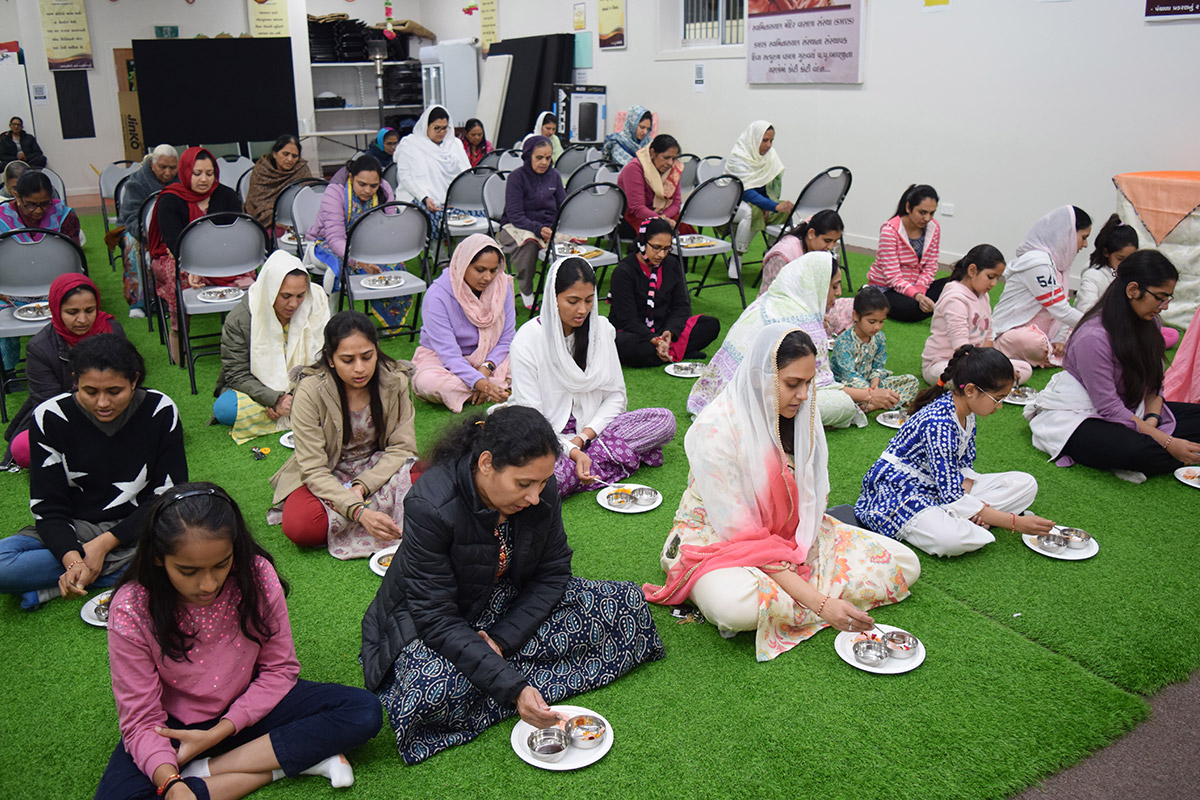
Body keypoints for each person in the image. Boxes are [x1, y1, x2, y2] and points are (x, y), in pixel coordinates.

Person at [361, 406, 665, 764]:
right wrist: (514, 688)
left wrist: (501, 640)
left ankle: (497, 674)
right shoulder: (431, 504)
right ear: (486, 463)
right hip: (432, 619)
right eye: (523, 484)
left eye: (542, 482)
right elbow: (435, 618)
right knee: (430, 690)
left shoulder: (542, 488)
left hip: (505, 598)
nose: (535, 497)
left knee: (626, 604)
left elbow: (553, 572)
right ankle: (514, 680)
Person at [644, 325, 919, 659]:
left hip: (789, 535)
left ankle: (789, 593)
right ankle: (803, 590)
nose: (803, 395)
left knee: (906, 563)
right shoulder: (715, 429)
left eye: (808, 383)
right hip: (717, 538)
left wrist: (799, 546)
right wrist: (821, 604)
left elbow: (811, 499)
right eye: (792, 384)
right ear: (760, 377)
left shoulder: (801, 414)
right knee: (735, 608)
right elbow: (743, 533)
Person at [95, 483, 382, 800]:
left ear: (235, 547)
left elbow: (279, 669)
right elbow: (141, 719)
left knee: (361, 710)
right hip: (175, 727)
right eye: (188, 571)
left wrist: (220, 732)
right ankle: (284, 763)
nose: (208, 585)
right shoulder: (132, 607)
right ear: (158, 558)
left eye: (221, 564)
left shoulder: (255, 575)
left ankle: (208, 769)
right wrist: (171, 783)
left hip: (250, 705)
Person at [0, 335, 187, 610]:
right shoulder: (50, 417)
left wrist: (103, 546)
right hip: (77, 526)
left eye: (114, 391)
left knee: (203, 543)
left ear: (134, 380)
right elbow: (48, 508)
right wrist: (73, 560)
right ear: (75, 380)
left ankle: (54, 585)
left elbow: (168, 496)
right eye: (90, 391)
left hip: (144, 524)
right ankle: (134, 571)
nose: (102, 403)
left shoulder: (160, 409)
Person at [855, 345, 1054, 557]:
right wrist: (1015, 523)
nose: (1000, 406)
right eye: (998, 398)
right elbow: (951, 494)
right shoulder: (939, 423)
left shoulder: (966, 412)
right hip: (901, 490)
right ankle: (962, 518)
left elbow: (964, 466)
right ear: (970, 390)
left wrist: (967, 499)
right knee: (951, 540)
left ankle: (961, 515)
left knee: (1025, 484)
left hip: (942, 485)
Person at [508, 257, 677, 497]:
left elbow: (615, 397)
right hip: (544, 439)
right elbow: (533, 422)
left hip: (593, 433)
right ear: (553, 298)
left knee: (664, 420)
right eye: (572, 301)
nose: (582, 310)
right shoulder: (527, 341)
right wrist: (572, 452)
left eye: (589, 300)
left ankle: (588, 467)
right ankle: (604, 461)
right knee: (550, 479)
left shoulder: (601, 330)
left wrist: (583, 438)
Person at [1025, 250, 1200, 480]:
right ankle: (1178, 453)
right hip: (1081, 414)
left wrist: (1152, 422)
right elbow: (1109, 408)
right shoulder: (1093, 337)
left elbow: (1154, 386)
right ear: (1132, 290)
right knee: (1135, 451)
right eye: (1160, 297)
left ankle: (1175, 451)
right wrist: (1167, 442)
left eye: (1168, 298)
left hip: (1132, 409)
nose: (1164, 306)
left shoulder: (1151, 324)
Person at [268, 312, 417, 559]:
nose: (360, 368)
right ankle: (379, 516)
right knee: (301, 525)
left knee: (432, 480)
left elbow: (403, 447)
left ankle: (354, 520)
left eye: (367, 356)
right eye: (347, 360)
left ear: (377, 350)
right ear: (330, 359)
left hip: (379, 468)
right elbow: (313, 469)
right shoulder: (310, 390)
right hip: (328, 471)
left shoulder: (394, 379)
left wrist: (362, 485)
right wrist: (358, 511)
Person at [688, 252, 880, 428]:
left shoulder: (767, 302)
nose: (838, 293)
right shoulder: (806, 322)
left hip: (720, 397)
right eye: (834, 286)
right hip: (756, 402)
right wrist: (868, 396)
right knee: (842, 404)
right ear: (818, 285)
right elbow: (816, 385)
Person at [3, 274, 124, 470]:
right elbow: (48, 403)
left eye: (90, 310)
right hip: (66, 417)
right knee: (23, 448)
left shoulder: (111, 329)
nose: (82, 319)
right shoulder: (40, 348)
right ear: (56, 310)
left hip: (114, 410)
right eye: (72, 312)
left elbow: (126, 381)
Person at [212, 251, 331, 444]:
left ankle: (297, 409)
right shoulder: (240, 319)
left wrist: (296, 395)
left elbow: (325, 358)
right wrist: (273, 399)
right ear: (270, 290)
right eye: (286, 296)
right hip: (258, 390)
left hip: (307, 387)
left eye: (300, 295)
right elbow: (237, 374)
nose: (294, 304)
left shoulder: (315, 301)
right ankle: (304, 413)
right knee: (225, 409)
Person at [147, 147, 251, 363]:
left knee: (247, 271)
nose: (204, 179)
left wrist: (208, 260)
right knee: (176, 274)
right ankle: (178, 333)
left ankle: (247, 335)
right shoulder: (170, 198)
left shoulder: (226, 195)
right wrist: (194, 265)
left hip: (221, 254)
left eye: (209, 173)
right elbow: (174, 241)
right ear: (185, 172)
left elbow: (235, 235)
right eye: (197, 173)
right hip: (178, 257)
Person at [307, 154, 412, 330]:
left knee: (395, 265)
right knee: (337, 268)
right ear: (351, 177)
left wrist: (380, 253)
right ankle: (330, 320)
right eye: (362, 184)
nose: (368, 190)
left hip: (365, 245)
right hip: (325, 243)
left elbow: (390, 229)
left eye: (373, 186)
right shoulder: (335, 191)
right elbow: (335, 238)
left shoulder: (385, 189)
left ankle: (391, 323)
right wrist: (359, 262)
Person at [412, 234, 515, 412]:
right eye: (480, 270)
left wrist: (486, 369)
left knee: (534, 360)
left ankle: (479, 390)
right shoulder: (437, 296)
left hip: (491, 357)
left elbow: (507, 339)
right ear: (463, 264)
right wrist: (482, 383)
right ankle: (498, 388)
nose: (488, 277)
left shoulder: (501, 286)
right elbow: (449, 355)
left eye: (493, 270)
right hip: (442, 360)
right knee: (427, 382)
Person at [0, 169, 84, 371]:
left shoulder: (65, 216)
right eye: (30, 204)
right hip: (7, 294)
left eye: (45, 204)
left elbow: (74, 262)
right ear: (17, 196)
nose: (38, 211)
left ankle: (70, 366)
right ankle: (8, 371)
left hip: (57, 291)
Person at [609, 218, 720, 367]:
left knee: (711, 325)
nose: (661, 254)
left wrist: (670, 331)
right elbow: (627, 320)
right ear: (642, 242)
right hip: (635, 332)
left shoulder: (672, 264)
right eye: (656, 247)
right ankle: (675, 351)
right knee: (624, 344)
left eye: (667, 249)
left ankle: (662, 353)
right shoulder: (623, 271)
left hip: (663, 328)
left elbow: (681, 306)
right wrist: (655, 340)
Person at [992, 205, 1092, 367]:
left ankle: (1048, 351)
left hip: (1047, 334)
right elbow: (1061, 310)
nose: (1085, 244)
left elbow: (1063, 308)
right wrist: (1098, 325)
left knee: (1078, 335)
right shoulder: (1038, 263)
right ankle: (999, 348)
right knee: (1034, 342)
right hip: (1014, 332)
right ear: (1069, 235)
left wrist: (1060, 338)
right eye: (1084, 237)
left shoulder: (1059, 264)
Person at [922, 244, 1033, 387]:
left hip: (976, 363)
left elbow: (988, 339)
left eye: (997, 278)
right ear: (972, 270)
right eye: (990, 277)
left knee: (1025, 368)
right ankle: (993, 385)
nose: (994, 283)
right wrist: (991, 369)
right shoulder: (955, 298)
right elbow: (961, 348)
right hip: (944, 364)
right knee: (963, 378)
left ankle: (989, 385)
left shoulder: (983, 296)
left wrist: (996, 366)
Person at [1076, 213, 1178, 350]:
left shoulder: (1132, 274)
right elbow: (1085, 311)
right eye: (1120, 258)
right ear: (1106, 253)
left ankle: (1145, 343)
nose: (1126, 264)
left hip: (1126, 325)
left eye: (1131, 258)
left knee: (1170, 333)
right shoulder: (1093, 276)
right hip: (1103, 327)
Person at [497, 135, 565, 308]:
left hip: (547, 226)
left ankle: (563, 290)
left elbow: (563, 206)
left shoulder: (554, 176)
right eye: (539, 157)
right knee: (529, 243)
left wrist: (552, 227)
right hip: (517, 226)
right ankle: (526, 290)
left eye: (548, 158)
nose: (544, 162)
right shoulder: (517, 177)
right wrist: (538, 228)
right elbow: (515, 214)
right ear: (528, 156)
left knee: (572, 240)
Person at [830, 287, 919, 410]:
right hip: (851, 387)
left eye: (881, 322)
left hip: (872, 385)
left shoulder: (879, 338)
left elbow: (878, 366)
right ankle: (880, 402)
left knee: (912, 381)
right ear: (856, 316)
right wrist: (872, 393)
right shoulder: (843, 342)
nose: (877, 327)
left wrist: (875, 381)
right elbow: (849, 376)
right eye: (872, 322)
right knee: (843, 394)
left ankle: (871, 405)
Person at [866, 184, 945, 322]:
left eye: (932, 213)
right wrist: (918, 296)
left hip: (917, 287)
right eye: (922, 212)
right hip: (888, 289)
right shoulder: (889, 231)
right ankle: (869, 294)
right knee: (910, 308)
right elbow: (893, 278)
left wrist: (920, 291)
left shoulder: (934, 228)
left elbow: (931, 266)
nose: (927, 218)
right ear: (908, 207)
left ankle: (931, 306)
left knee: (954, 284)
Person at [118, 145, 179, 317]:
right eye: (162, 167)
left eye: (173, 167)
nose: (168, 172)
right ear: (152, 164)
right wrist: (148, 236)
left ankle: (175, 297)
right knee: (130, 242)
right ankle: (137, 301)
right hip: (140, 232)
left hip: (172, 231)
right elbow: (130, 218)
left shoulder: (183, 181)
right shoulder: (135, 184)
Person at [394, 105, 471, 229]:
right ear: (426, 126)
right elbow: (405, 177)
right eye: (437, 128)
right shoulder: (410, 145)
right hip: (420, 198)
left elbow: (466, 173)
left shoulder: (454, 144)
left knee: (477, 215)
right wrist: (424, 198)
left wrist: (455, 198)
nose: (442, 132)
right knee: (433, 220)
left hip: (451, 200)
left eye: (445, 128)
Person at [726, 120, 791, 256]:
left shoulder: (770, 156)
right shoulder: (738, 157)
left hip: (759, 202)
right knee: (753, 211)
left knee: (786, 210)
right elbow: (746, 192)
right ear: (753, 139)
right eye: (764, 140)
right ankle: (737, 255)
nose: (768, 145)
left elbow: (771, 186)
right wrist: (771, 205)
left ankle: (771, 251)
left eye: (771, 141)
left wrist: (770, 204)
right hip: (733, 203)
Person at [759, 209, 844, 294]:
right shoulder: (782, 256)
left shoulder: (822, 254)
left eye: (835, 241)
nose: (830, 247)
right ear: (811, 233)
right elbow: (770, 295)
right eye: (827, 240)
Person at [242, 135, 313, 232]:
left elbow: (309, 196)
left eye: (294, 156)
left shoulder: (301, 169)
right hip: (266, 219)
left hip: (297, 217)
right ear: (275, 154)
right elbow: (256, 203)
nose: (290, 159)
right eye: (285, 154)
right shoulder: (261, 170)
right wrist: (277, 220)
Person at [616, 133, 683, 232]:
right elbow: (637, 208)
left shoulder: (673, 170)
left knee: (684, 227)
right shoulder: (634, 169)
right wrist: (662, 220)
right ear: (652, 153)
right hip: (635, 217)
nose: (670, 163)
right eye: (666, 158)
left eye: (673, 159)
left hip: (663, 214)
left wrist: (664, 217)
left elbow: (676, 203)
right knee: (659, 231)